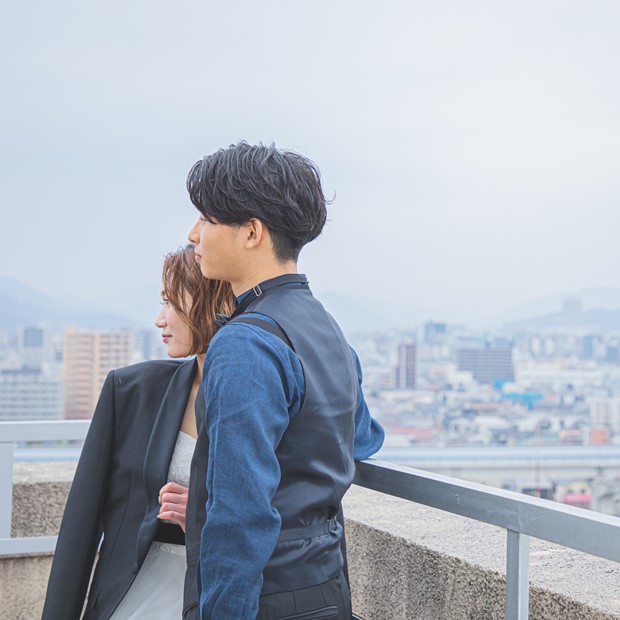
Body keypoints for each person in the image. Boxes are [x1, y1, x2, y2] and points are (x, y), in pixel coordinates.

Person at [184, 142, 385, 620]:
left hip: (264, 598)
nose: (193, 235)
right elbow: (363, 439)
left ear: (252, 232)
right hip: (326, 584)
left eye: (207, 219)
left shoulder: (244, 342)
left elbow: (240, 511)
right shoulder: (327, 328)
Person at [41, 245, 233, 620]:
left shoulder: (257, 400)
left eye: (171, 303)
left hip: (221, 593)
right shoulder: (130, 391)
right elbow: (78, 532)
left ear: (213, 302)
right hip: (133, 595)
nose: (160, 320)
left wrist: (202, 514)